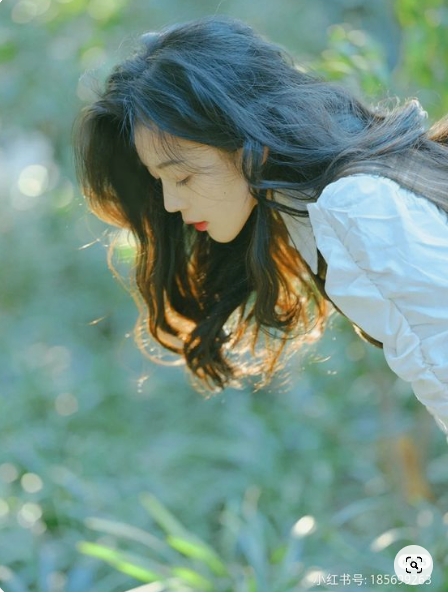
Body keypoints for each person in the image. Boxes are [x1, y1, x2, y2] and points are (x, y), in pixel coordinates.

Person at [72, 15, 448, 439]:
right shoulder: (315, 207)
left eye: (183, 176)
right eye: (159, 181)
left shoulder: (355, 207)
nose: (171, 203)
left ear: (251, 144)